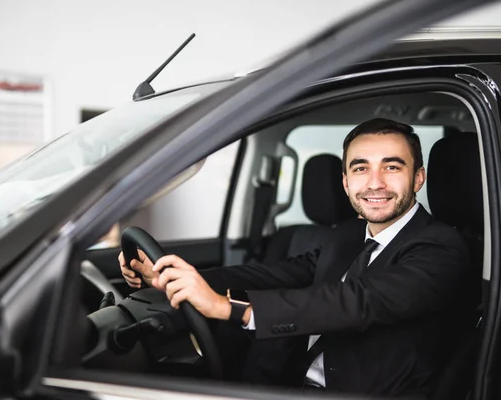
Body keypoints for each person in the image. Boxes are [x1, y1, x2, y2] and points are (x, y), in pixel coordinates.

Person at [119, 118, 472, 397]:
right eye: (361, 168)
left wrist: (228, 309)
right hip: (293, 384)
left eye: (392, 167)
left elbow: (357, 302)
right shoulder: (348, 235)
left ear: (418, 178)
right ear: (346, 182)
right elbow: (274, 275)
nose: (375, 183)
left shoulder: (442, 247)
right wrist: (173, 274)